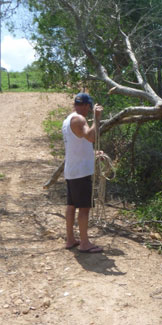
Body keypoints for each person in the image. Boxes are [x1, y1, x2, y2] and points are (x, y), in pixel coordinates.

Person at [62, 92, 103, 253]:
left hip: (72, 170)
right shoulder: (79, 119)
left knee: (71, 206)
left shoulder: (68, 120)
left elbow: (77, 144)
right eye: (89, 107)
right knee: (84, 208)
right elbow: (90, 137)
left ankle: (70, 239)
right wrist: (97, 118)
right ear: (86, 106)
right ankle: (85, 243)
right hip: (81, 172)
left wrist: (93, 154)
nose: (89, 110)